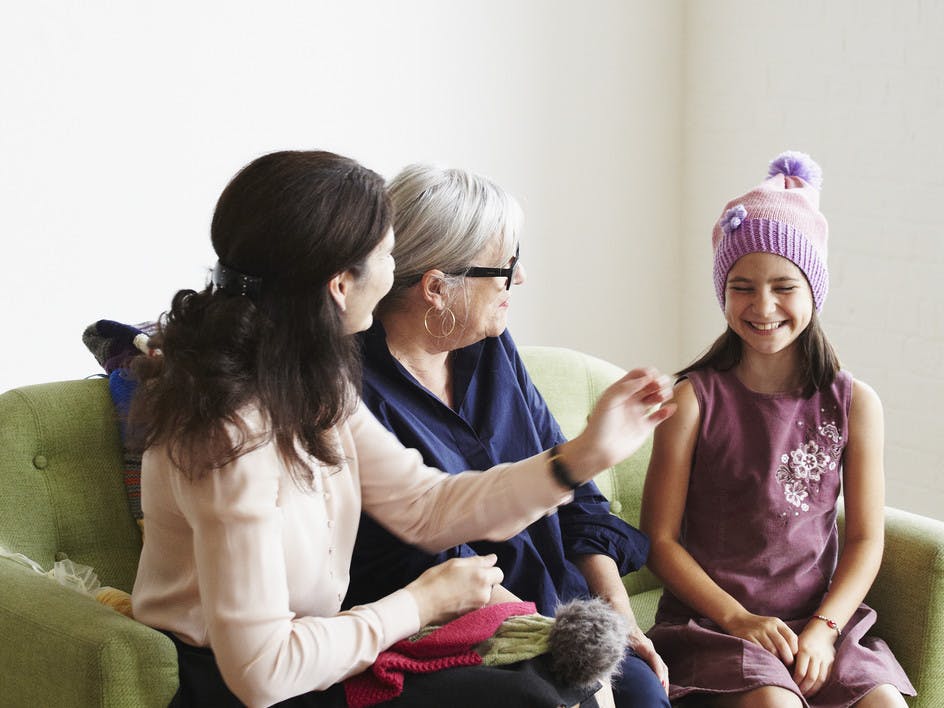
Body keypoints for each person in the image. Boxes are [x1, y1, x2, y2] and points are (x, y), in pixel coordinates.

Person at [127, 150, 676, 708]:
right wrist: (419, 604)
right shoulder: (229, 434)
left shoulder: (313, 382)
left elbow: (424, 504)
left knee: (549, 691)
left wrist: (579, 458)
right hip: (237, 686)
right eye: (390, 255)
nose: (398, 275)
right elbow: (261, 672)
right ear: (342, 284)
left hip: (325, 657)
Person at [342, 163, 670, 708]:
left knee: (641, 687)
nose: (519, 280)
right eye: (506, 265)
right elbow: (422, 564)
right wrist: (554, 641)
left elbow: (576, 498)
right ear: (436, 289)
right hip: (455, 633)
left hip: (561, 613)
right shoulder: (354, 395)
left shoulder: (490, 348)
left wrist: (617, 618)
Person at [639, 151, 916, 707]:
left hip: (819, 623)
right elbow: (659, 542)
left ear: (815, 289)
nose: (762, 305)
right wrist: (738, 618)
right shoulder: (691, 400)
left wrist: (825, 629)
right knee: (775, 703)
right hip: (717, 624)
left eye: (783, 286)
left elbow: (864, 539)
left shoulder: (855, 404)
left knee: (884, 702)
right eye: (741, 286)